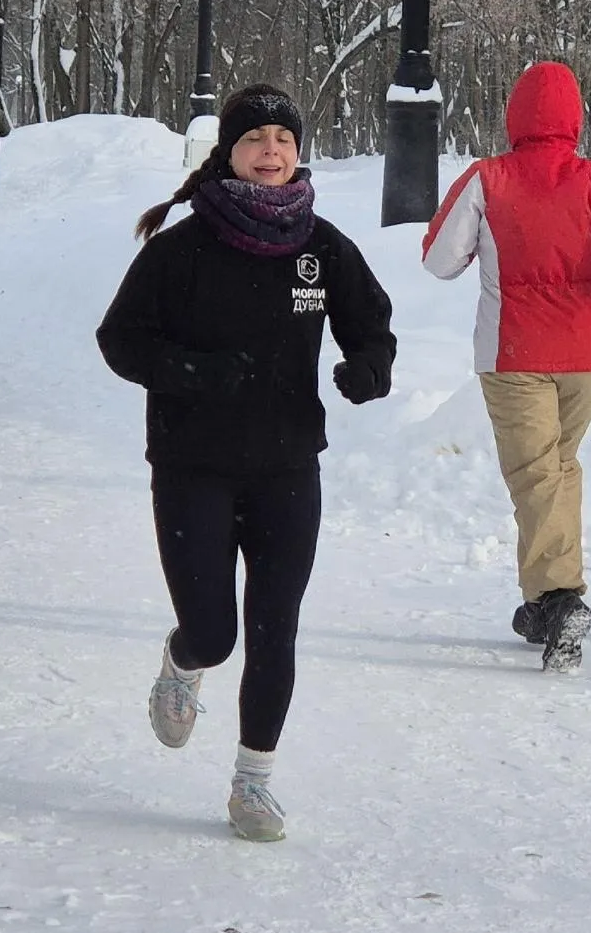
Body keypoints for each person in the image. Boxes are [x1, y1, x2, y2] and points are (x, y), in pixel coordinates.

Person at [96, 84, 396, 842]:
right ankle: (182, 660)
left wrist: (367, 370)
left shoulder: (321, 246)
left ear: (299, 155)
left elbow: (373, 326)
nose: (272, 151)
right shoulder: (180, 250)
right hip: (193, 463)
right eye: (256, 138)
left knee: (275, 627)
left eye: (284, 140)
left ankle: (252, 784)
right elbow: (120, 341)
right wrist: (193, 373)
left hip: (288, 466)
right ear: (228, 154)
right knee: (215, 631)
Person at [420, 60, 591, 674]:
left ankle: (560, 598)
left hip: (514, 350)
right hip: (587, 350)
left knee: (534, 474)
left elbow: (439, 261)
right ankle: (541, 602)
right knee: (556, 469)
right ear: (574, 117)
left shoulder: (488, 178)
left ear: (515, 114)